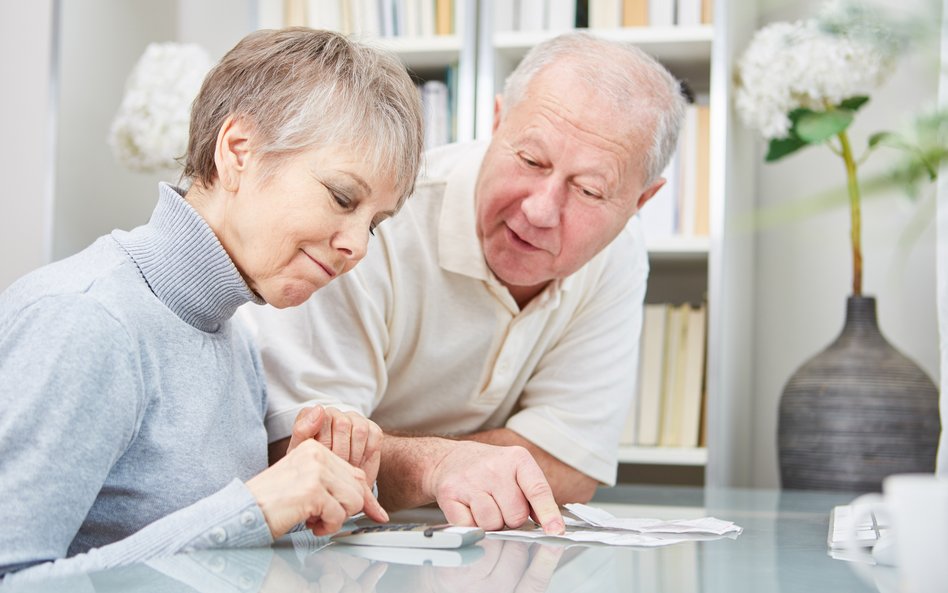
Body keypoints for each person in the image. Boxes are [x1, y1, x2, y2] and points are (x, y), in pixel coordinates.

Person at [0, 28, 425, 582]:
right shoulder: (87, 320)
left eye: (374, 223)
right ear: (237, 152)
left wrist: (314, 501)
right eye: (342, 198)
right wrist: (252, 508)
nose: (359, 246)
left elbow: (214, 563)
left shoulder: (232, 333)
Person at [240, 32, 687, 531]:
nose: (540, 211)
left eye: (588, 190)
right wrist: (438, 466)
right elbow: (304, 454)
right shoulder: (371, 222)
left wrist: (403, 456)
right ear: (496, 123)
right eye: (531, 161)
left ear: (640, 203)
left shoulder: (619, 254)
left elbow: (571, 468)